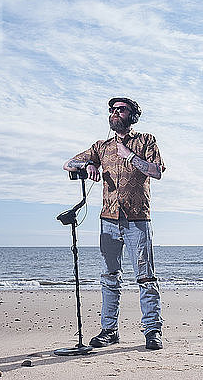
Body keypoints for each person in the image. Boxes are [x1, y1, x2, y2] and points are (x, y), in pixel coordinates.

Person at [63, 97, 165, 350]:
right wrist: (88, 164)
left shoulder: (146, 140)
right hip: (108, 221)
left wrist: (129, 155)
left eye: (121, 110)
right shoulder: (101, 146)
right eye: (112, 110)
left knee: (146, 278)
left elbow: (156, 171)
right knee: (109, 277)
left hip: (137, 221)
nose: (115, 113)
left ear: (132, 116)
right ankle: (109, 331)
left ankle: (152, 331)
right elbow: (68, 163)